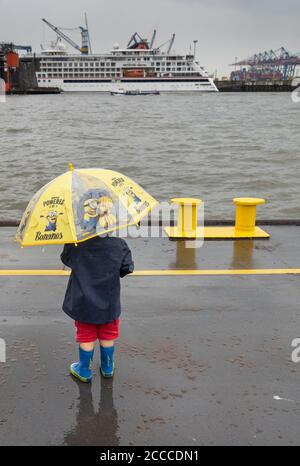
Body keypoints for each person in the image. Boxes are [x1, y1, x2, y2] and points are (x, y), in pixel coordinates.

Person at [61, 235, 134, 382]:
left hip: (84, 302)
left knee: (86, 335)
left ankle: (83, 370)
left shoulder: (75, 243)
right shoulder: (119, 244)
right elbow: (127, 268)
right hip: (109, 301)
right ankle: (107, 367)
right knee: (108, 333)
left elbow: (66, 259)